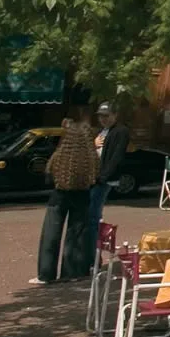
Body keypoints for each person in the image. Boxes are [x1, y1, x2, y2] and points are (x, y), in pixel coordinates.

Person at [33, 104, 99, 284]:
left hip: (60, 194)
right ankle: (71, 272)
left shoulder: (60, 155)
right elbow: (95, 176)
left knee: (51, 232)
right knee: (76, 234)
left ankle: (46, 274)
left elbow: (49, 173)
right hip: (82, 194)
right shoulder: (91, 157)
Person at [91, 103, 128, 234]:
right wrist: (93, 144)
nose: (103, 119)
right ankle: (94, 236)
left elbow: (117, 156)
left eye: (106, 116)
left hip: (104, 178)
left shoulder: (120, 131)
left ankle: (94, 238)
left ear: (115, 115)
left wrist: (104, 176)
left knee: (93, 210)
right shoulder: (100, 131)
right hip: (93, 176)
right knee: (91, 208)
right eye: (100, 116)